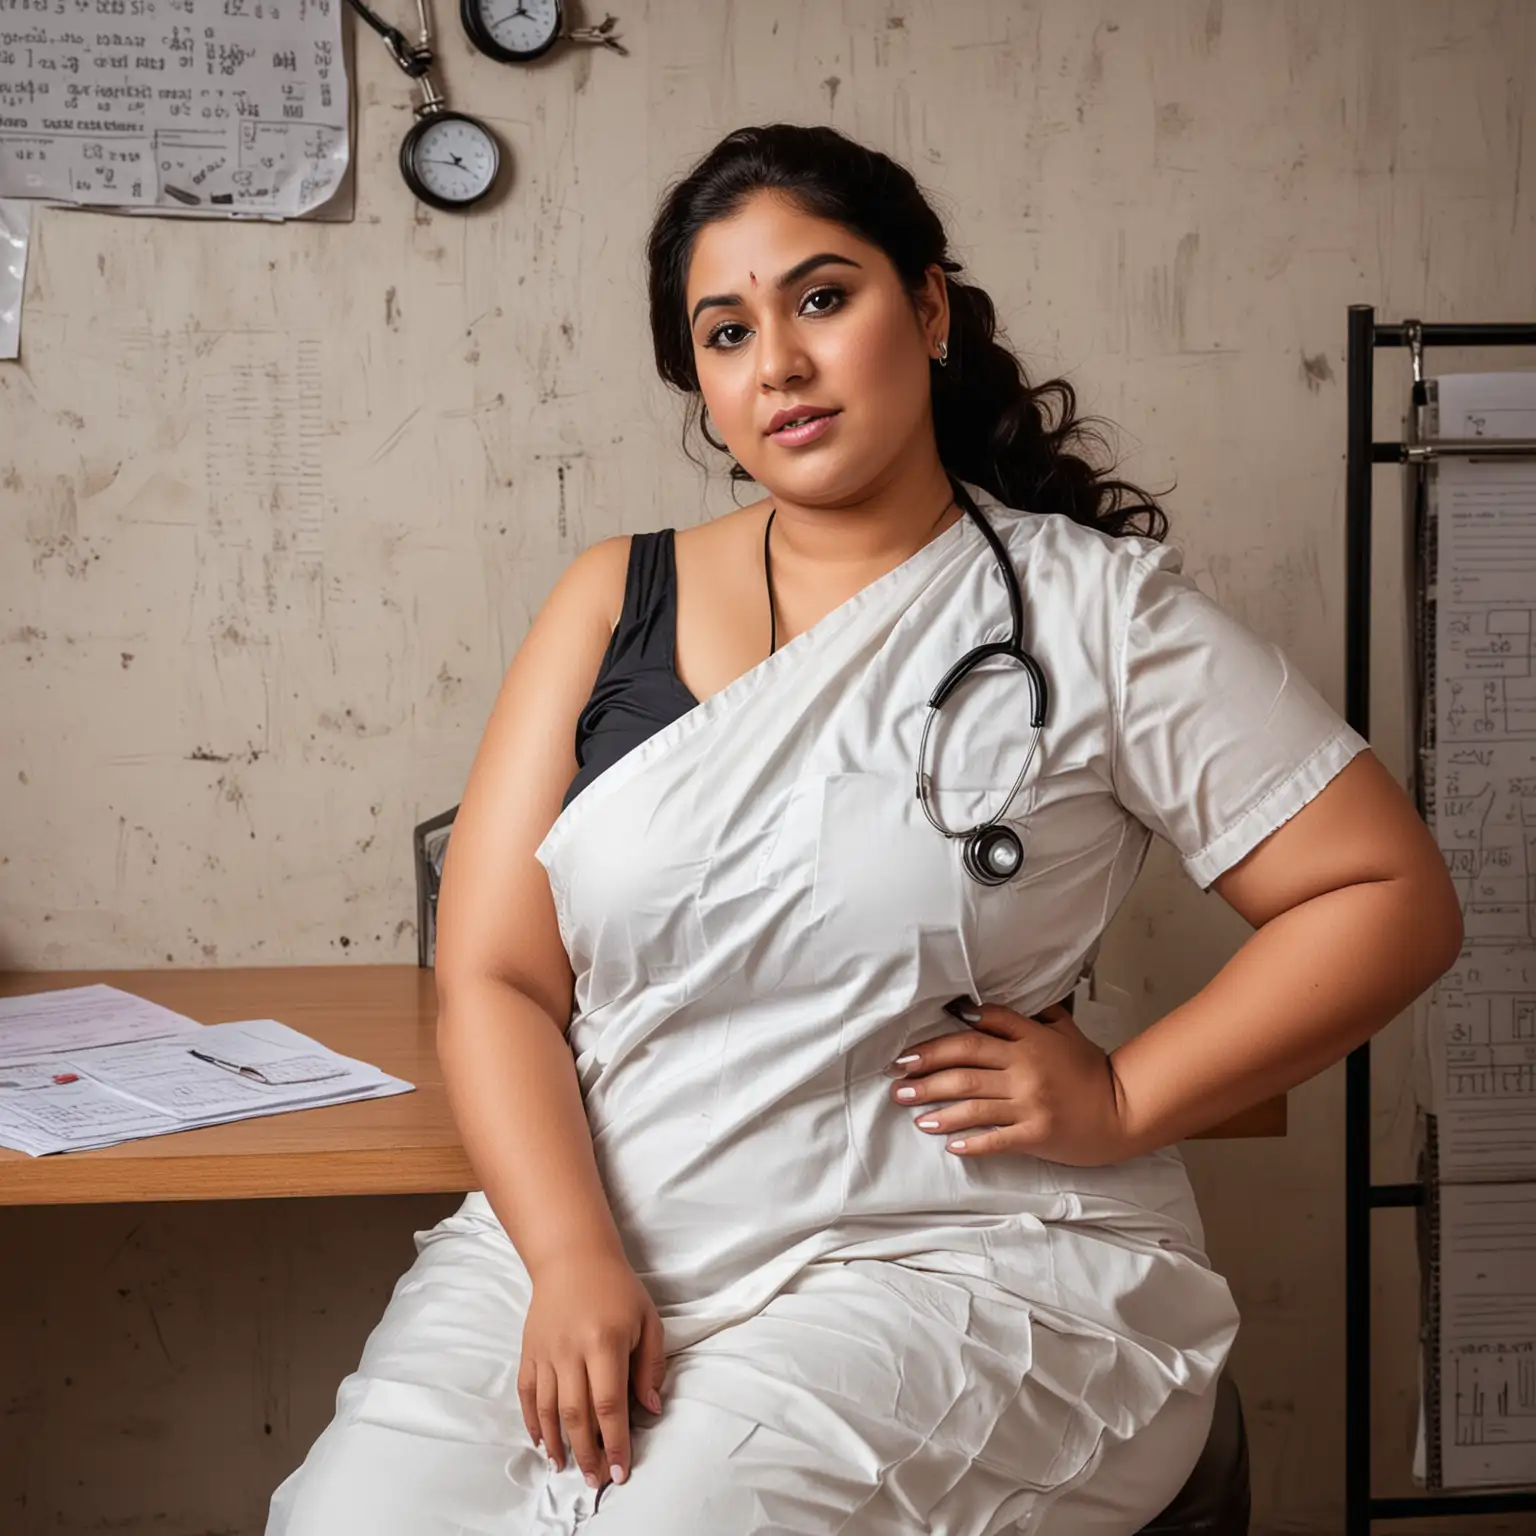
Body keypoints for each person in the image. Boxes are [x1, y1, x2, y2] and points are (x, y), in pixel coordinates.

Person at [267, 124, 1462, 1535]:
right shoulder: (611, 601)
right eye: (727, 332)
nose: (777, 362)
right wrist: (573, 1256)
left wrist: (1127, 1097)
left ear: (931, 307)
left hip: (958, 1252)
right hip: (608, 1212)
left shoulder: (1092, 617)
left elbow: (1388, 893)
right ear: (703, 385)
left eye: (822, 299)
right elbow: (498, 979)